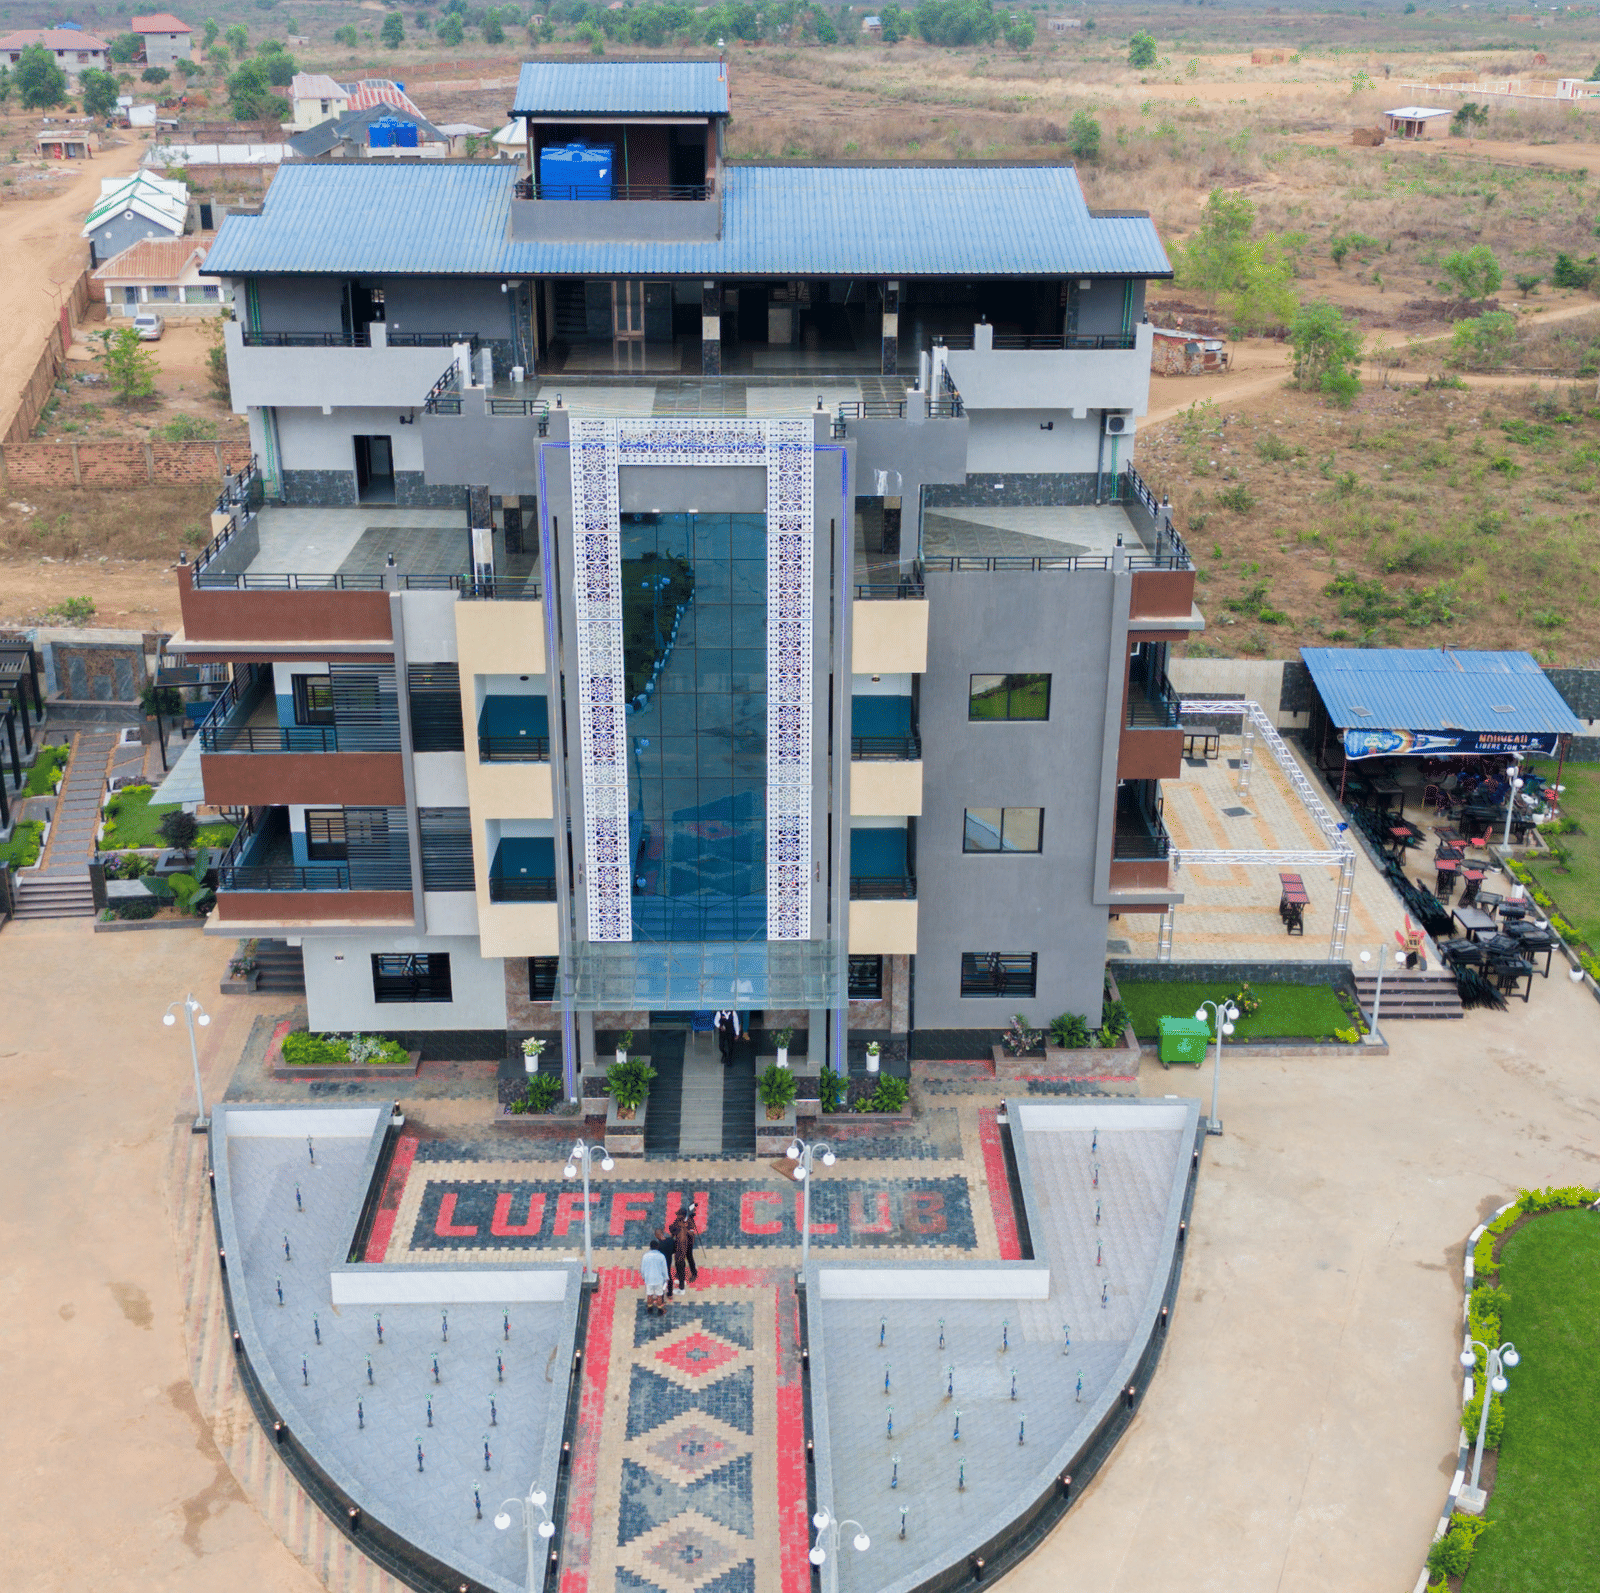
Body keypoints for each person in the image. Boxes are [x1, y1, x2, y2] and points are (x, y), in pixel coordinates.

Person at [671, 1195, 699, 1290]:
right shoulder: (677, 1221)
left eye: (679, 1215)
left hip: (688, 1244)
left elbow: (691, 1233)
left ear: (682, 1216)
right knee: (679, 1259)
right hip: (679, 1243)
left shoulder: (689, 1222)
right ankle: (679, 1273)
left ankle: (694, 1273)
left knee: (689, 1258)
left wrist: (684, 1229)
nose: (677, 1216)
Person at [641, 1241, 669, 1315]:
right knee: (659, 1295)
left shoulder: (645, 1256)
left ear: (650, 1247)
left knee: (649, 1294)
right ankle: (660, 1310)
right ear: (657, 1247)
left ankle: (650, 1309)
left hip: (649, 1278)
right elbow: (664, 1269)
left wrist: (643, 1276)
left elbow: (643, 1268)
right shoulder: (661, 1256)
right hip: (658, 1279)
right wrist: (666, 1278)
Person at [650, 1225, 678, 1300]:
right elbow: (674, 1250)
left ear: (656, 1236)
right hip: (668, 1261)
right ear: (663, 1233)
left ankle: (660, 1296)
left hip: (660, 1265)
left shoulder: (658, 1246)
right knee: (669, 1276)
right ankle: (670, 1294)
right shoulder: (671, 1241)